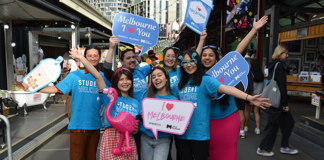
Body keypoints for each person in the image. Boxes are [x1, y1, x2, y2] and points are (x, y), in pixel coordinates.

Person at [173, 48, 270, 160]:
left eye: (192, 61)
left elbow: (226, 89)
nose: (189, 65)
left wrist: (249, 97)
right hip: (181, 135)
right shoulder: (178, 86)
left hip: (200, 135)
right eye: (185, 62)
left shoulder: (205, 81)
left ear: (197, 62)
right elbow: (173, 106)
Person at [22, 45, 110, 160]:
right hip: (78, 124)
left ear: (100, 57)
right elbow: (56, 89)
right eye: (89, 55)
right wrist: (34, 87)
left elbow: (111, 97)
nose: (92, 58)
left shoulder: (103, 77)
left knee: (91, 157)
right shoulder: (74, 75)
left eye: (95, 55)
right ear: (84, 57)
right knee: (76, 157)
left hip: (95, 124)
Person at [198, 15, 268, 160]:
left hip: (228, 119)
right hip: (205, 122)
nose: (207, 58)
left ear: (217, 59)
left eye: (211, 55)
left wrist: (253, 30)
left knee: (228, 156)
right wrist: (201, 40)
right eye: (204, 55)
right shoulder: (196, 76)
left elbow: (238, 51)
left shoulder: (223, 69)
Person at [69, 48, 140, 160]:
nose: (125, 82)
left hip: (128, 141)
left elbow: (136, 123)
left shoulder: (136, 102)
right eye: (121, 79)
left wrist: (136, 128)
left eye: (128, 79)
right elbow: (97, 76)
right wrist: (81, 58)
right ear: (116, 82)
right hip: (111, 137)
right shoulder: (110, 97)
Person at [104, 36, 158, 159]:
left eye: (134, 57)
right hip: (128, 119)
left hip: (144, 118)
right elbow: (106, 70)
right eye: (128, 58)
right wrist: (111, 47)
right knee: (128, 151)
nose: (132, 60)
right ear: (122, 62)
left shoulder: (141, 71)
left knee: (141, 152)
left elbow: (155, 65)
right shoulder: (118, 76)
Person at [257, 44, 298, 156]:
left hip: (274, 100)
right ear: (280, 53)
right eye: (286, 53)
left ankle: (284, 146)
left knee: (288, 123)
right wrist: (286, 103)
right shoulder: (279, 65)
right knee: (272, 125)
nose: (287, 55)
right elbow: (282, 86)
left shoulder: (273, 65)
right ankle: (263, 148)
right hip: (278, 102)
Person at [139, 66, 178, 160]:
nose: (156, 78)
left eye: (159, 75)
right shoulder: (146, 95)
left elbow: (175, 123)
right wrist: (141, 116)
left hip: (163, 140)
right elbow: (139, 117)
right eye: (153, 77)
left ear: (167, 78)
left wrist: (181, 124)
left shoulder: (174, 100)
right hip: (145, 138)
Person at [244, 59, 264, 135]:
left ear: (251, 65)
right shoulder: (261, 75)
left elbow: (248, 86)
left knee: (247, 112)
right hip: (258, 96)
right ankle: (258, 128)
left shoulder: (249, 75)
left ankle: (245, 127)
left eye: (249, 64)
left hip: (250, 96)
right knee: (256, 112)